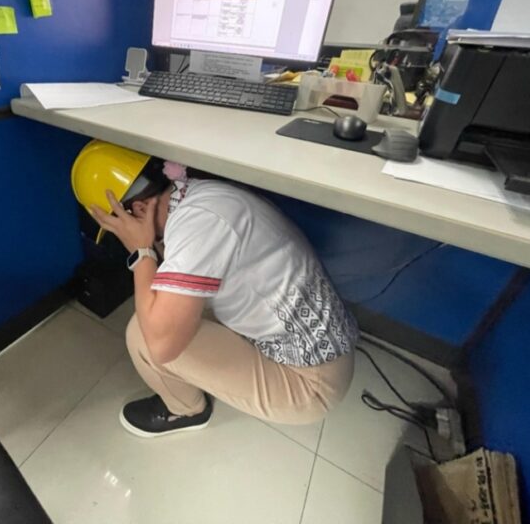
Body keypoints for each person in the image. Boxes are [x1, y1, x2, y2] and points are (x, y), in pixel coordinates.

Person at [71, 140, 359, 438]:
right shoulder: (195, 195)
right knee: (164, 306)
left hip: (311, 382)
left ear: (138, 208)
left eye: (119, 227)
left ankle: (185, 411)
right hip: (319, 345)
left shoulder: (197, 227)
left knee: (143, 336)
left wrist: (141, 252)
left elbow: (161, 345)